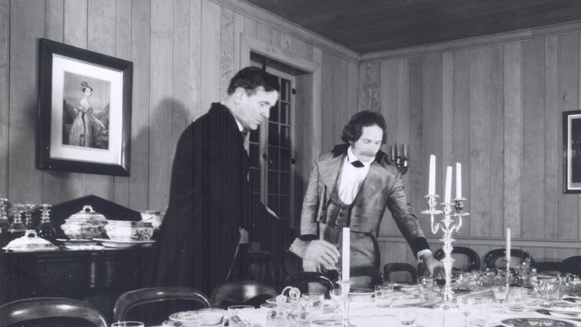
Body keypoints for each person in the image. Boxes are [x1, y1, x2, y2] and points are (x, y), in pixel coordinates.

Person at [150, 67, 287, 295]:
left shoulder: (220, 129)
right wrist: (291, 240)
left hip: (195, 254)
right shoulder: (217, 133)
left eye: (270, 107)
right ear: (240, 95)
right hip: (189, 260)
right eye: (263, 104)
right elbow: (238, 202)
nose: (268, 114)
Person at [290, 110, 437, 278]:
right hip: (321, 252)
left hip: (363, 260)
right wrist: (308, 248)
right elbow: (309, 206)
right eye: (367, 141)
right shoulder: (324, 162)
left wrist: (426, 254)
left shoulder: (389, 173)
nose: (372, 149)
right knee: (318, 303)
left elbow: (405, 215)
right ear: (352, 137)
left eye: (377, 143)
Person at [67, 81, 108, 147]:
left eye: (90, 92)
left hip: (85, 121)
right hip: (81, 123)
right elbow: (91, 116)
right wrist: (100, 123)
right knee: (82, 140)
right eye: (88, 92)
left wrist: (100, 122)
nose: (90, 93)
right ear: (84, 92)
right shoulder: (83, 102)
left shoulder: (86, 101)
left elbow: (90, 115)